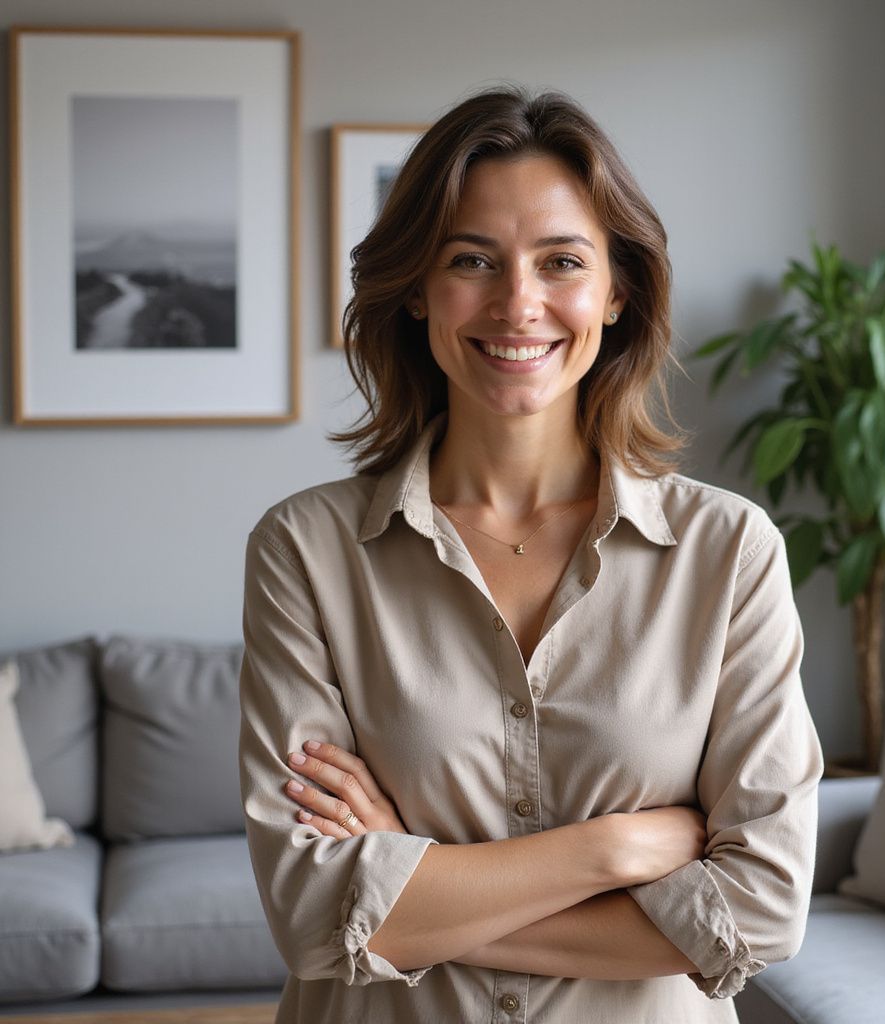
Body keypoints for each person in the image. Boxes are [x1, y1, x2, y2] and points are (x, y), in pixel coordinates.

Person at [239, 86, 824, 1024]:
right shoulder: (305, 551)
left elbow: (757, 915)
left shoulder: (729, 553)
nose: (519, 303)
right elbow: (314, 915)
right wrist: (614, 851)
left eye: (562, 261)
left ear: (617, 290)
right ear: (419, 289)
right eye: (472, 259)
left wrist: (411, 888)